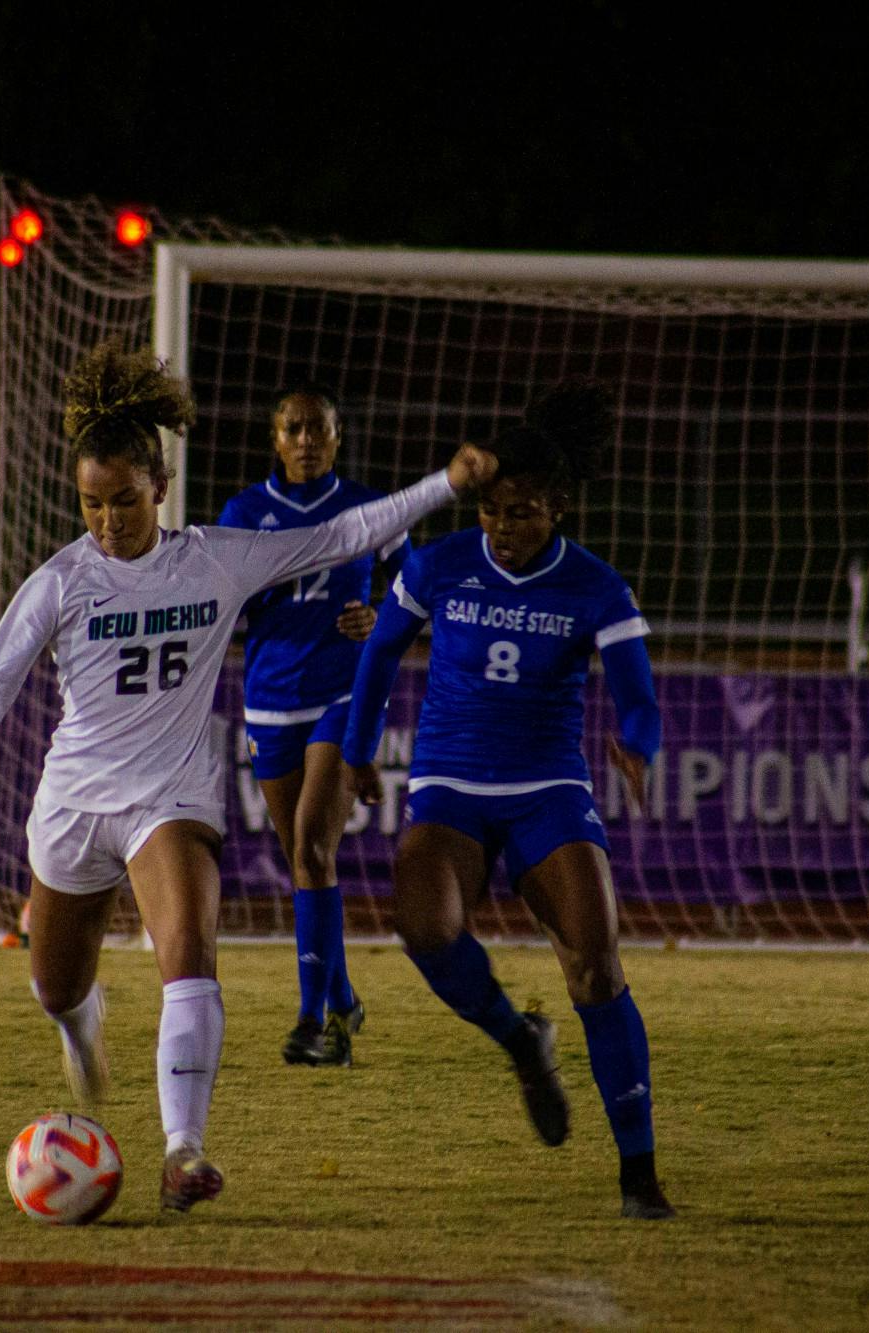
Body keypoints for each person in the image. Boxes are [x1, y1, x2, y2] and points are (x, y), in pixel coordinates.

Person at [0, 340, 496, 1215]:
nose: (107, 521)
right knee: (57, 983)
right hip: (72, 804)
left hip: (168, 796)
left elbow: (345, 532)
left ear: (160, 487)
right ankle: (79, 1025)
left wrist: (446, 483)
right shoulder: (60, 582)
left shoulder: (216, 558)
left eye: (124, 501)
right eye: (91, 504)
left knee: (189, 954)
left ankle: (184, 1149)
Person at [341, 379, 676, 1221]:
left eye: (523, 512)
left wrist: (638, 744)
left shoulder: (596, 587)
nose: (504, 527)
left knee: (596, 965)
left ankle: (639, 1174)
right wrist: (355, 750)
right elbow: (380, 654)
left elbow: (637, 693)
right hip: (449, 782)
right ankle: (519, 1040)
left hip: (548, 788)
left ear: (558, 505)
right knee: (423, 926)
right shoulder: (440, 562)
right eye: (493, 510)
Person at [217, 385, 404, 1067]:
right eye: (293, 428)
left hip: (343, 693)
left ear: (337, 435)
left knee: (315, 849)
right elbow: (219, 599)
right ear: (275, 437)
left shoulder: (366, 508)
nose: (305, 439)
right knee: (304, 859)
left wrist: (381, 614)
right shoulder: (244, 513)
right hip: (269, 699)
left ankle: (311, 1023)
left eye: (317, 428)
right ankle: (344, 999)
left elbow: (416, 593)